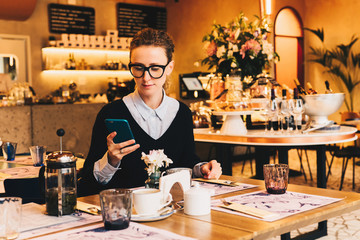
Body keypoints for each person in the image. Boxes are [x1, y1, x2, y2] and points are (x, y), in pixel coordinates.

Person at [78, 28, 222, 196]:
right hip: (126, 212)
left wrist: (202, 168)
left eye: (155, 68)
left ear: (169, 68)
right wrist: (110, 161)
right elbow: (88, 181)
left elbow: (186, 162)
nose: (146, 78)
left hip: (170, 210)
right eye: (138, 68)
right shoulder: (111, 113)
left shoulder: (182, 112)